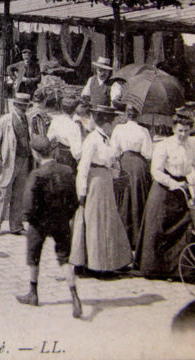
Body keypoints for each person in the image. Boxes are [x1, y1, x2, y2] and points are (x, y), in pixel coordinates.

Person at [135, 113, 195, 278]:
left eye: (187, 131)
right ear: (174, 129)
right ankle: (155, 269)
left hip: (182, 189)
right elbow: (156, 171)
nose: (183, 134)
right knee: (158, 228)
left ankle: (180, 271)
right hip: (163, 190)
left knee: (183, 227)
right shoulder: (164, 145)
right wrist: (172, 183)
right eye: (180, 130)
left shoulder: (191, 146)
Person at [17, 136, 81, 318]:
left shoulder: (36, 174)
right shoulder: (67, 171)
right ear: (52, 151)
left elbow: (28, 204)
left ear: (35, 154)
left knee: (34, 255)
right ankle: (74, 295)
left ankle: (33, 292)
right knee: (64, 258)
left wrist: (30, 219)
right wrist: (66, 216)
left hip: (39, 222)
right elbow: (73, 201)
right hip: (61, 220)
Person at [69, 104, 132, 273]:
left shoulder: (106, 138)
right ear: (105, 123)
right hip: (95, 181)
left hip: (105, 181)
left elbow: (109, 160)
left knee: (107, 221)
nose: (112, 126)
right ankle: (93, 264)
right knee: (94, 222)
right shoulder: (93, 139)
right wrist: (82, 191)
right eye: (111, 122)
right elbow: (83, 167)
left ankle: (108, 262)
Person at [0, 94, 32, 236]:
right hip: (8, 161)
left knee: (19, 194)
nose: (22, 109)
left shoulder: (27, 120)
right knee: (3, 194)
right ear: (15, 105)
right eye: (20, 106)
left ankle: (16, 225)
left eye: (24, 106)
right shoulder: (5, 121)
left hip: (23, 160)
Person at [110, 104, 154, 247]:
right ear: (138, 115)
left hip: (124, 163)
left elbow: (114, 151)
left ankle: (124, 236)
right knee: (138, 198)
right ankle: (137, 236)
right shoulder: (144, 131)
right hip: (139, 165)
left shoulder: (118, 129)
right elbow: (148, 153)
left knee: (124, 198)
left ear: (126, 114)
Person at [46, 97, 82, 169]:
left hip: (57, 154)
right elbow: (76, 152)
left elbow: (49, 137)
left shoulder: (56, 120)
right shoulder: (74, 126)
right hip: (68, 158)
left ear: (62, 109)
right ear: (75, 110)